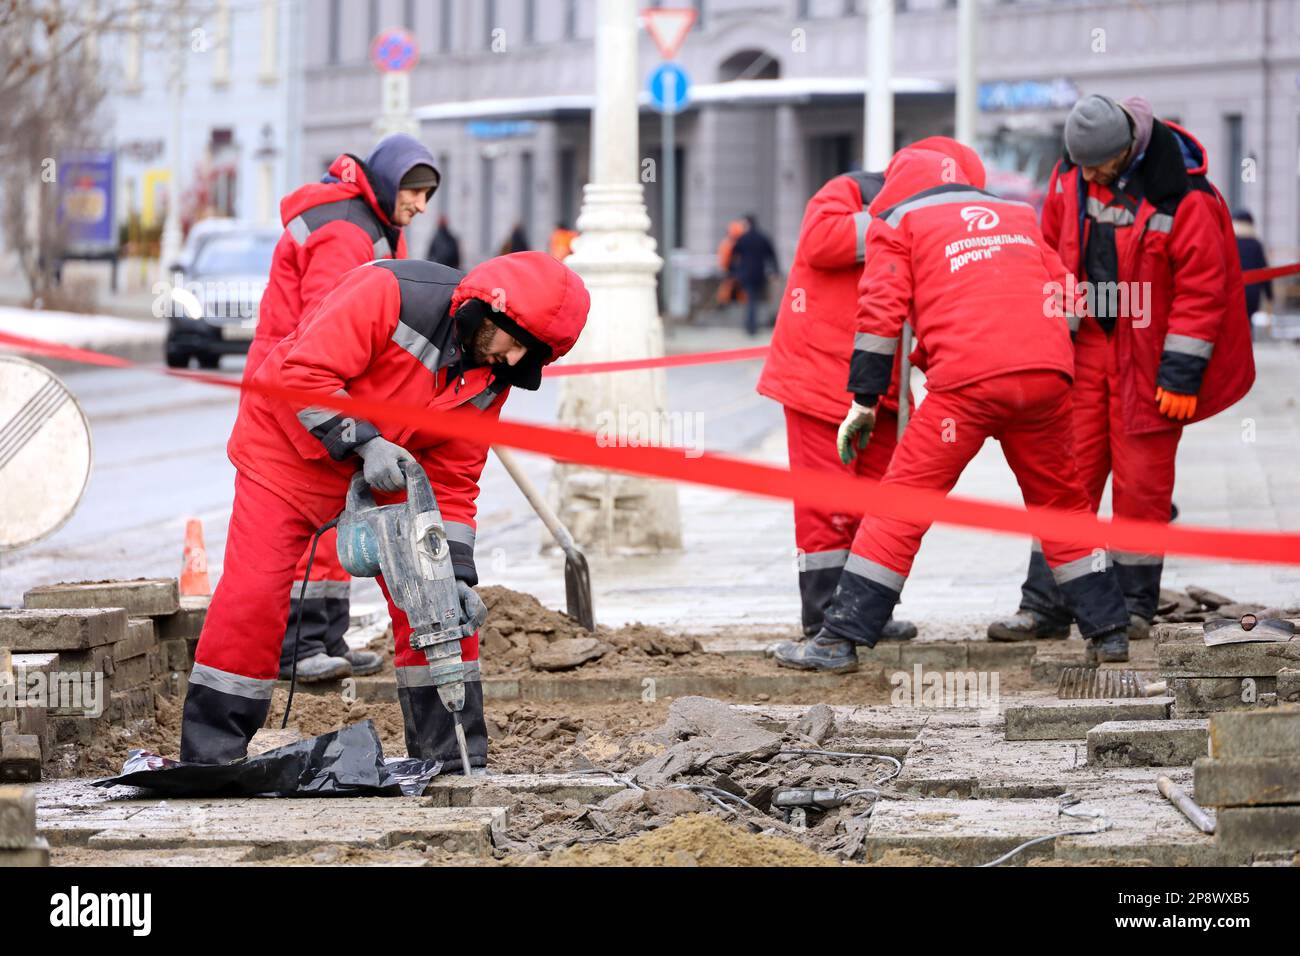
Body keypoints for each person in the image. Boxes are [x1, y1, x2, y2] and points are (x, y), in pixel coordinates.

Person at [181, 252, 590, 766]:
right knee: (254, 596)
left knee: (440, 606)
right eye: (516, 344)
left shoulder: (492, 376)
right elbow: (303, 372)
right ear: (491, 311)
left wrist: (457, 575)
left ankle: (451, 758)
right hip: (287, 450)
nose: (512, 361)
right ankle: (210, 757)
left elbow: (456, 478)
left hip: (393, 473)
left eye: (528, 357)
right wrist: (362, 441)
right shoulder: (389, 293)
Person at [774, 137, 1133, 671]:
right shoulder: (1017, 214)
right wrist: (1044, 355)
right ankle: (1109, 631)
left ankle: (838, 639)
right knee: (1063, 504)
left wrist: (865, 401)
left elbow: (879, 318)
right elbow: (1071, 300)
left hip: (965, 386)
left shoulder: (899, 223)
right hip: (1046, 380)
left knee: (901, 507)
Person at [988, 95, 1255, 644]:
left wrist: (1180, 376)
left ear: (1127, 149)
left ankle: (1133, 608)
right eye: (1080, 164)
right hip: (1089, 352)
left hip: (1149, 364)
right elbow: (1051, 255)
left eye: (1098, 166)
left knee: (1141, 490)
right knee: (1064, 479)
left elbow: (1201, 293)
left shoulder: (1186, 198)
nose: (1088, 175)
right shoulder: (1072, 178)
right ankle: (1045, 606)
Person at [757, 147, 995, 643]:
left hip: (879, 388)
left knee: (877, 503)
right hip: (817, 380)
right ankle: (823, 615)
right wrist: (905, 223)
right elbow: (822, 242)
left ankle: (866, 611)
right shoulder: (850, 190)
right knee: (827, 507)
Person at [244, 132, 440, 684]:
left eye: (428, 195)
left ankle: (325, 636)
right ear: (388, 180)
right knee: (308, 517)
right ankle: (297, 645)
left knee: (337, 512)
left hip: (314, 381)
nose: (421, 205)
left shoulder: (373, 223)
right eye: (415, 191)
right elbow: (325, 328)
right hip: (299, 386)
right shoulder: (345, 230)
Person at [729, 214, 780, 335]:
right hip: (759, 273)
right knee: (753, 299)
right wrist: (775, 271)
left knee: (750, 300)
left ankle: (750, 326)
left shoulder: (742, 238)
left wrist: (733, 270)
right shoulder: (762, 238)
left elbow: (733, 255)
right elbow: (772, 254)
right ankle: (752, 325)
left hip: (746, 273)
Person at [1233, 209, 1272, 339]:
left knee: (1234, 321)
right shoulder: (1256, 244)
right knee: (1247, 321)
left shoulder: (1231, 242)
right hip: (1253, 290)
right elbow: (1264, 269)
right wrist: (1269, 294)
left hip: (1234, 288)